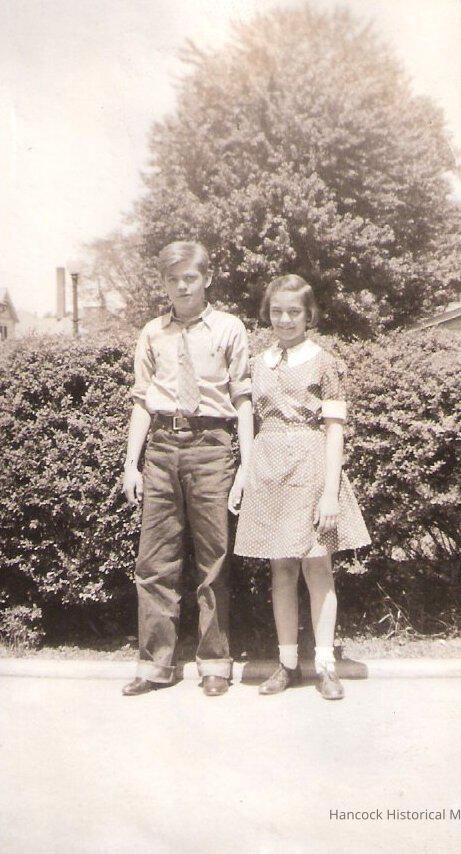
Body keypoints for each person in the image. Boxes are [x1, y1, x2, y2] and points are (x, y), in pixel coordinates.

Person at [122, 240, 253, 697]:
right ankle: (155, 665)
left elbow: (243, 399)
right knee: (154, 560)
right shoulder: (152, 333)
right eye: (173, 279)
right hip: (161, 446)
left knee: (213, 559)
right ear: (164, 283)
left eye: (190, 278)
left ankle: (214, 663)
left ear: (207, 278)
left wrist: (246, 465)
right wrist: (132, 464)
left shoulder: (229, 328)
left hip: (212, 446)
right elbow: (142, 401)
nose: (182, 286)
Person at [233, 275, 371, 700]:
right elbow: (249, 420)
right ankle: (288, 664)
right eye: (277, 311)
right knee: (282, 570)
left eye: (294, 311)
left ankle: (325, 665)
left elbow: (334, 430)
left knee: (317, 567)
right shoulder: (258, 363)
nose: (285, 319)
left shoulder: (325, 362)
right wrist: (246, 472)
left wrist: (329, 492)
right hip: (269, 470)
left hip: (311, 469)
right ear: (267, 314)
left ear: (309, 314)